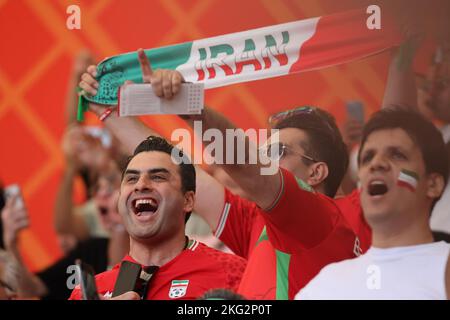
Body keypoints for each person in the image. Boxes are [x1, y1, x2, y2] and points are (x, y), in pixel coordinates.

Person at [295, 108, 450, 299]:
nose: (376, 164)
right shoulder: (325, 284)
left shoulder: (444, 268)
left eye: (397, 155)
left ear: (433, 184)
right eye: (367, 157)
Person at [69, 136, 246, 300]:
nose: (141, 185)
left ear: (188, 200)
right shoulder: (88, 292)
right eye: (131, 179)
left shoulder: (232, 272)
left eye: (158, 177)